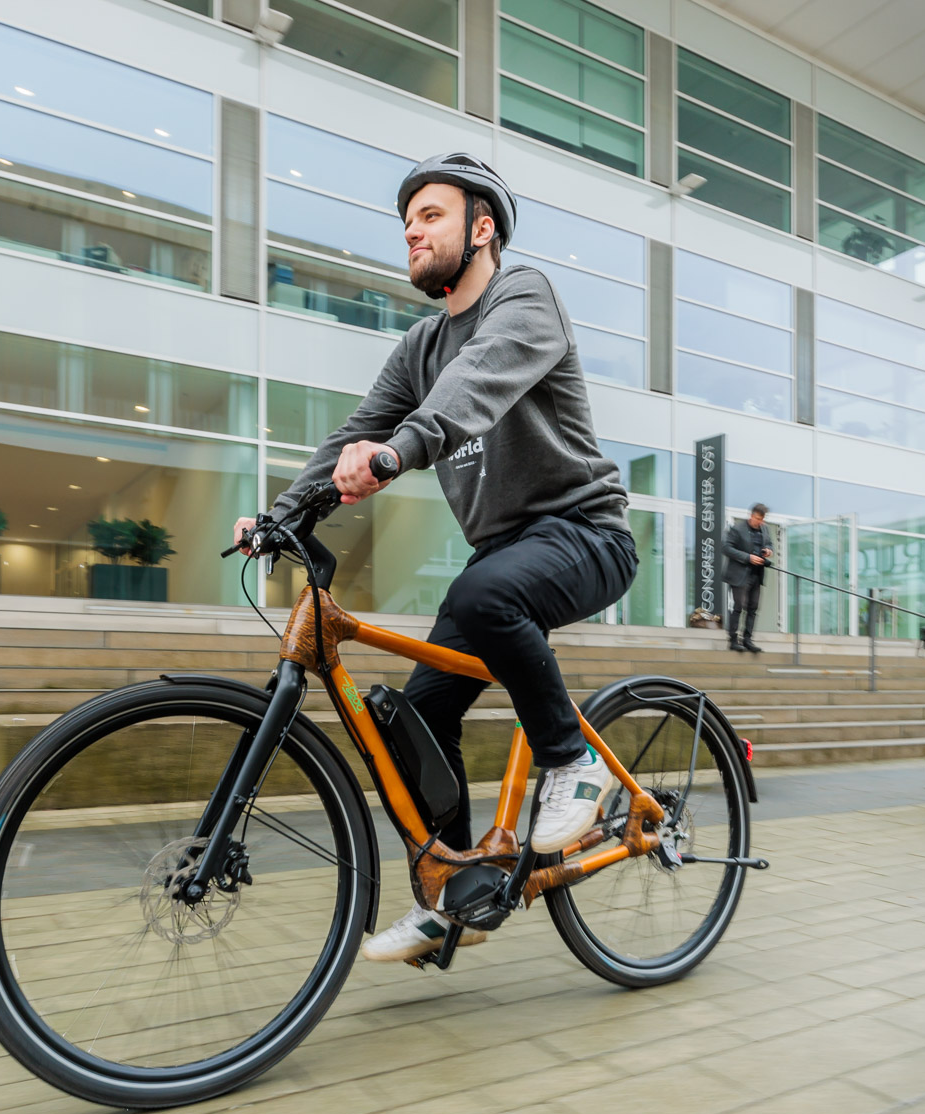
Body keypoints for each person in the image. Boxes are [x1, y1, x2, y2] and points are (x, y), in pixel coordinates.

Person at [235, 152, 636, 965]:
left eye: (432, 215)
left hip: (586, 533)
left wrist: (400, 452)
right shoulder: (420, 343)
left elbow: (476, 386)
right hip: (504, 556)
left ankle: (573, 761)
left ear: (482, 228)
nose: (413, 230)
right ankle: (457, 893)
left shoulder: (525, 297)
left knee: (489, 595)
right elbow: (356, 430)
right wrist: (281, 515)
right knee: (419, 720)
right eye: (407, 221)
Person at [722, 503, 771, 653]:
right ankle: (733, 640)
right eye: (757, 518)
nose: (760, 522)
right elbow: (726, 548)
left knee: (753, 608)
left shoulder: (765, 529)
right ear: (751, 515)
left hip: (756, 574)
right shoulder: (737, 528)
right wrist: (747, 557)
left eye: (762, 519)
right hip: (739, 574)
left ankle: (748, 639)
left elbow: (769, 544)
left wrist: (769, 550)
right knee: (738, 606)